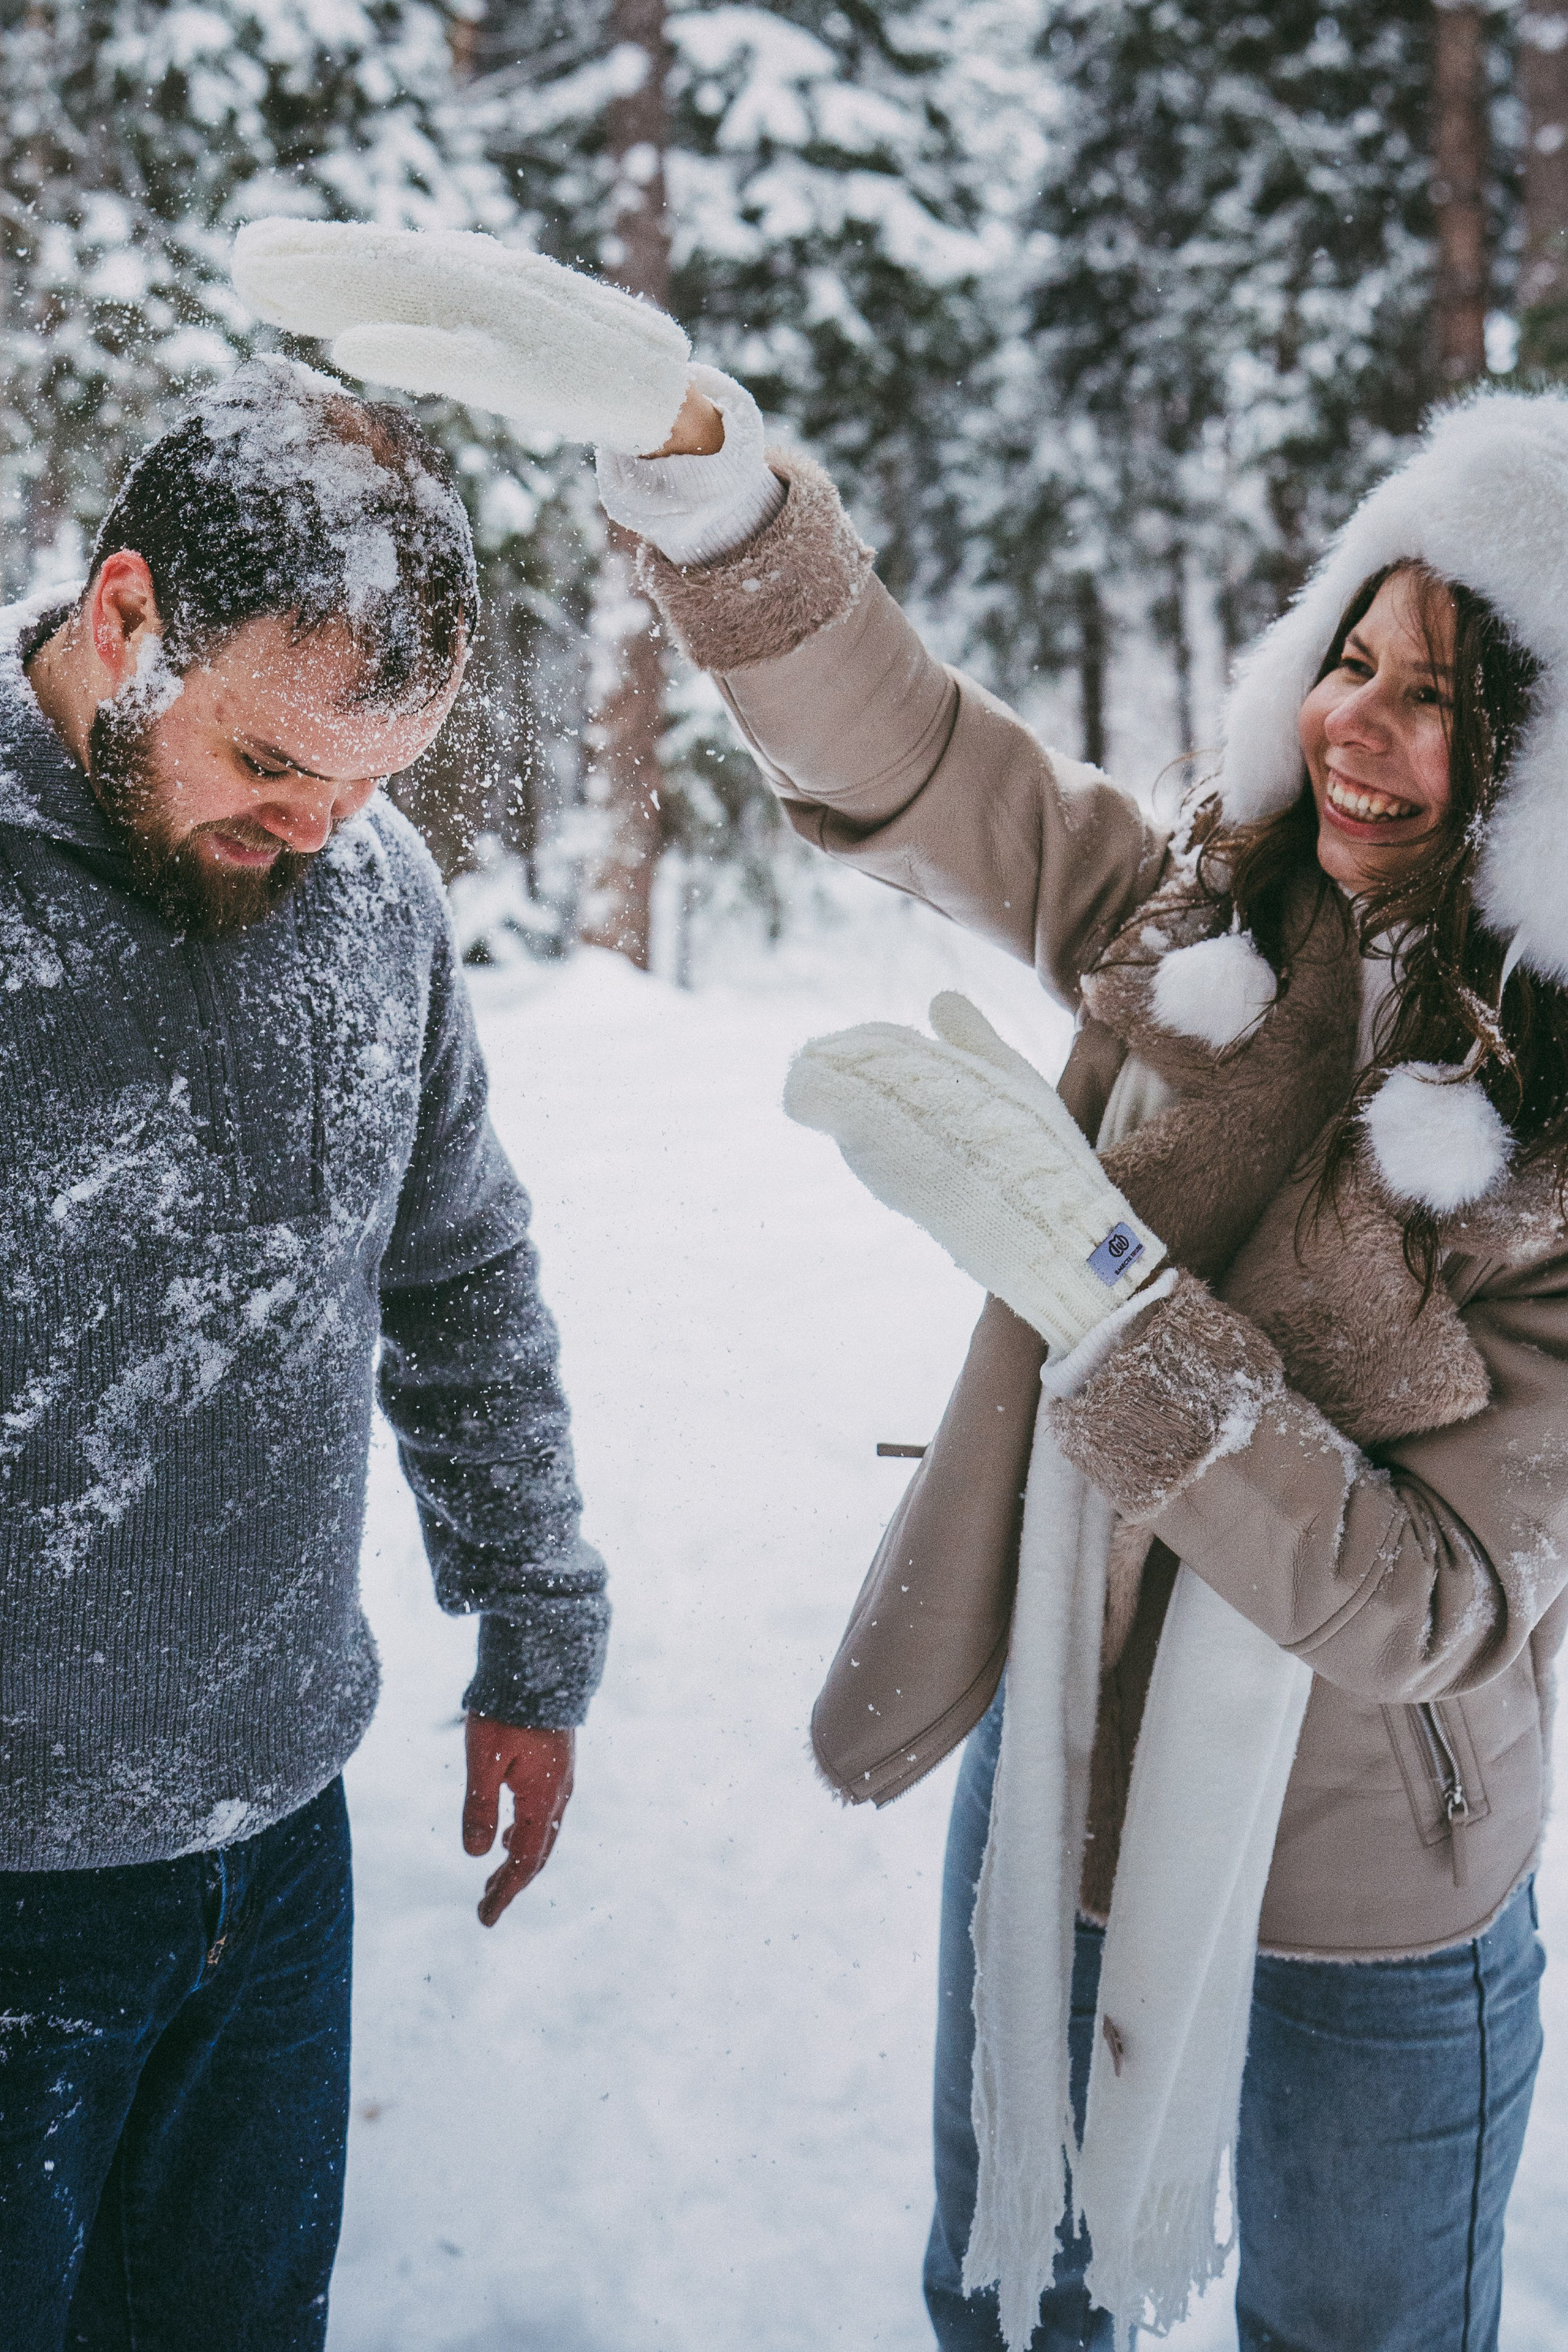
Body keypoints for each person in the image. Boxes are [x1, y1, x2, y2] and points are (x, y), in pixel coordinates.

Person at [241, 222, 1567, 2352]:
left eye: (1443, 698)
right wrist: (710, 478)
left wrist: (1121, 1314)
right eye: (1354, 657)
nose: (1363, 728)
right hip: (1062, 1794)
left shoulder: (1558, 1143)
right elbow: (935, 763)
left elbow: (1443, 1603)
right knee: (1010, 2307)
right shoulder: (1203, 927)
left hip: (1376, 1899)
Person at [0, 355, 608, 2351]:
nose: (324, 829)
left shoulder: (370, 890)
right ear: (127, 617)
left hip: (273, 1857)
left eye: (374, 782)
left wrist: (533, 1616)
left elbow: (458, 1270)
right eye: (273, 763)